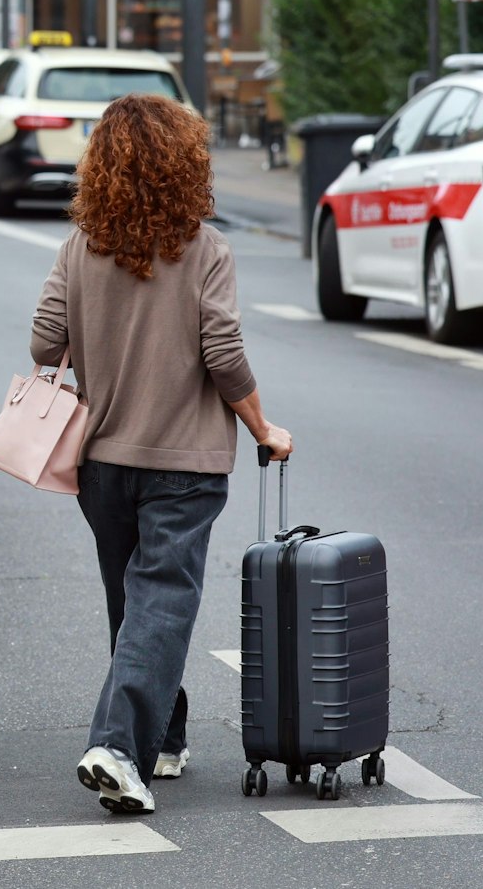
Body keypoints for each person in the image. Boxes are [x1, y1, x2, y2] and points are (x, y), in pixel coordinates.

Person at [28, 93, 294, 816]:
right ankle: (118, 747)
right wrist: (263, 427)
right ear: (186, 163)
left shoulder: (80, 246)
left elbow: (44, 343)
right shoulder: (206, 250)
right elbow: (223, 354)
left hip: (102, 463)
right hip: (183, 463)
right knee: (161, 602)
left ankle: (164, 739)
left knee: (136, 601)